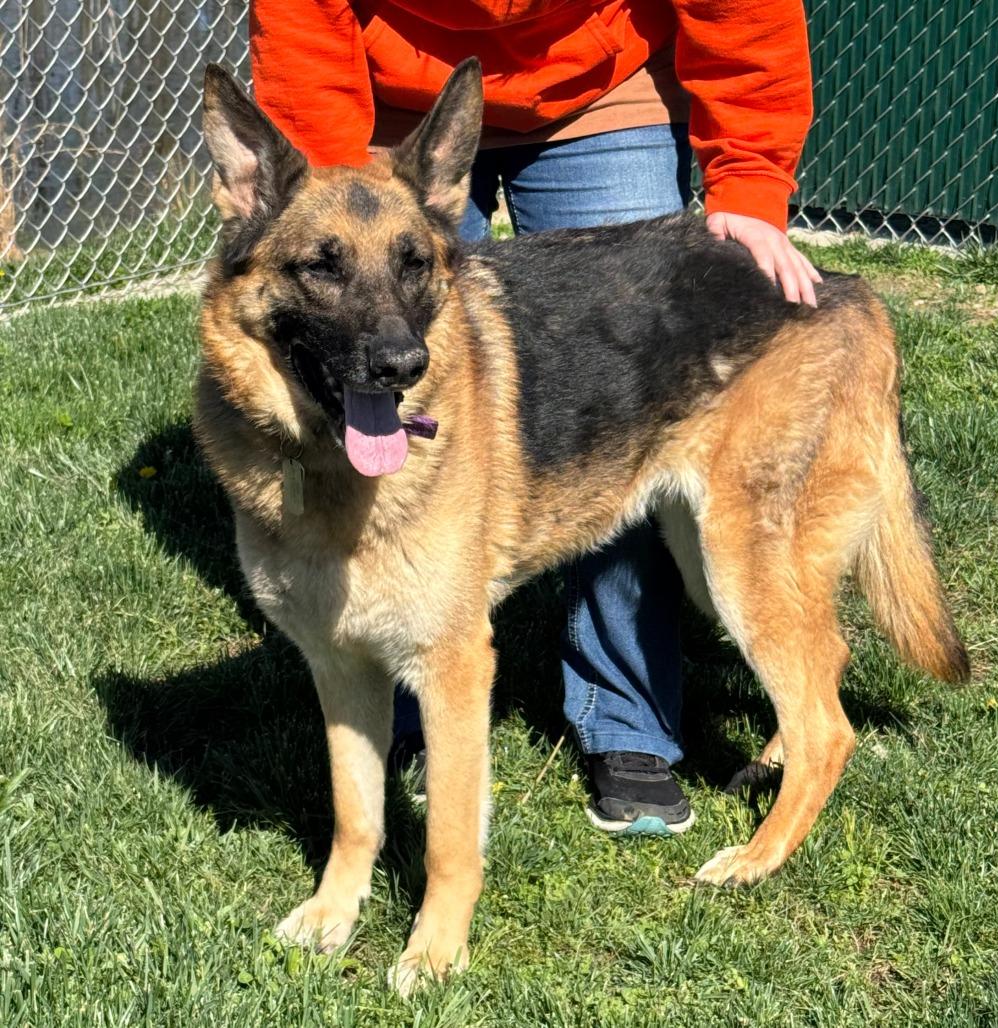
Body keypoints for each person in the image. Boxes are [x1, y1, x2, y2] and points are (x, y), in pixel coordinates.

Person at [248, 0, 822, 835]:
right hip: (385, 97)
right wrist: (331, 204)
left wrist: (753, 173)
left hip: (603, 82)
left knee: (628, 412)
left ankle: (626, 721)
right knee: (381, 391)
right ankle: (407, 710)